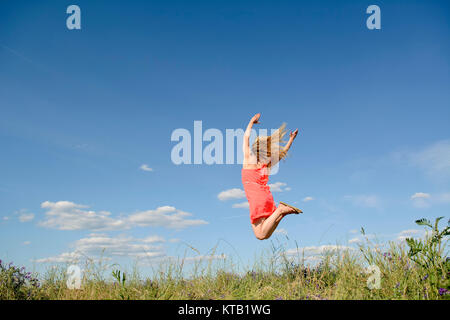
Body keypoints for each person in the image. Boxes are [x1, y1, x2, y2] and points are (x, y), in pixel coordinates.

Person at [242, 113, 302, 240]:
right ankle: (281, 213)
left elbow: (246, 137)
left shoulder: (248, 160)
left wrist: (251, 121)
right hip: (266, 197)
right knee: (264, 235)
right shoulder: (265, 165)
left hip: (257, 199)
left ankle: (280, 210)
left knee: (260, 235)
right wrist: (291, 139)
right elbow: (281, 155)